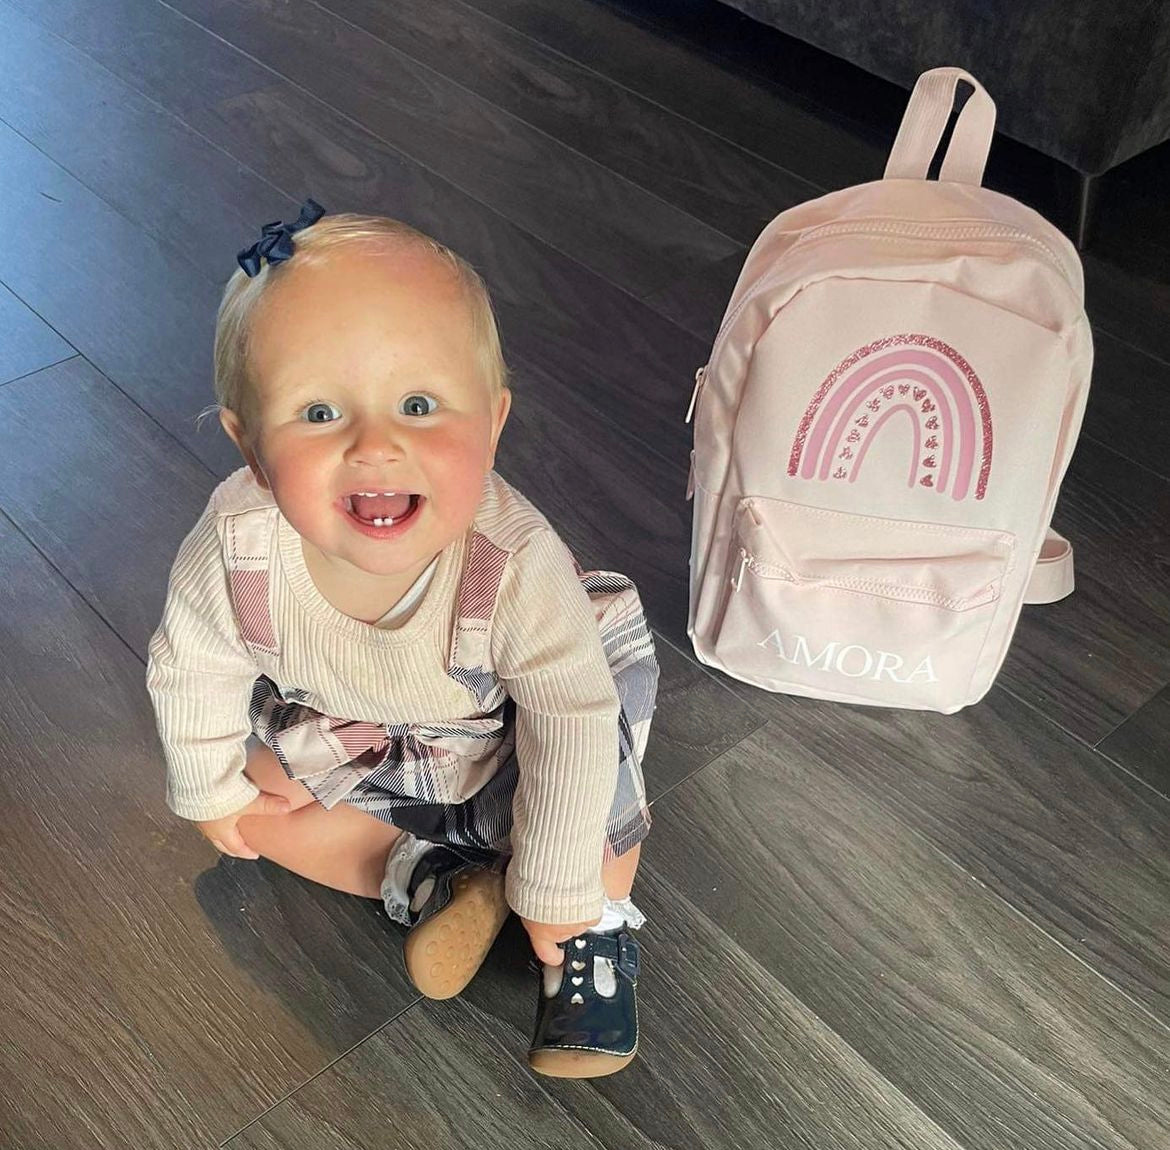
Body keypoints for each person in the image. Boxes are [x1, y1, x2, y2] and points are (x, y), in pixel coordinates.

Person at [146, 202, 657, 1079]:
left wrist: (559, 888)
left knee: (597, 840)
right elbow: (189, 661)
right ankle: (436, 875)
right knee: (256, 820)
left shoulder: (513, 561)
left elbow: (570, 720)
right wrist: (208, 785)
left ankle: (587, 943)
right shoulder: (239, 544)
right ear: (251, 448)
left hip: (510, 740)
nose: (375, 445)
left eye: (418, 404)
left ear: (493, 423)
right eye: (316, 412)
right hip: (357, 727)